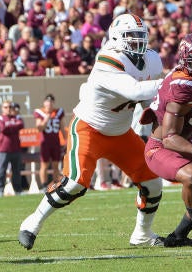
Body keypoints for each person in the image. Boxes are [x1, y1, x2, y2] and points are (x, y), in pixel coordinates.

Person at [18, 13, 164, 250]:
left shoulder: (152, 60)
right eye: (130, 37)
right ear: (116, 38)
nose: (137, 43)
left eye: (140, 37)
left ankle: (142, 234)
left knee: (152, 183)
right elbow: (135, 90)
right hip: (89, 127)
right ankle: (32, 222)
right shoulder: (107, 59)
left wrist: (155, 115)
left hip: (120, 131)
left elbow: (147, 99)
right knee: (74, 183)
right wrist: (168, 83)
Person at [143, 33, 192, 248]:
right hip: (160, 148)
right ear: (186, 62)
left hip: (182, 142)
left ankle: (178, 236)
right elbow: (170, 138)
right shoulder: (181, 87)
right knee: (191, 175)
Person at [34, 94, 65, 191]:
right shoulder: (40, 112)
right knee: (44, 165)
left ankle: (55, 184)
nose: (49, 103)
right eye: (47, 101)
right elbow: (39, 128)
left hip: (56, 142)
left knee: (56, 165)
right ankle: (44, 186)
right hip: (45, 143)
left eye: (51, 101)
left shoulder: (58, 112)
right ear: (44, 103)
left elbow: (62, 128)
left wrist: (66, 140)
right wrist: (45, 120)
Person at [0, 101, 25, 195]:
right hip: (3, 149)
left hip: (16, 148)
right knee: (2, 171)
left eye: (9, 107)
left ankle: (18, 190)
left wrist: (9, 127)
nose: (8, 109)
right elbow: (3, 129)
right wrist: (14, 127)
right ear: (2, 108)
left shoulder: (17, 117)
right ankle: (0, 190)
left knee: (16, 171)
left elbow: (21, 125)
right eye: (5, 107)